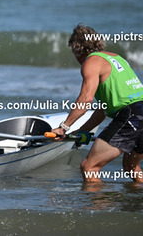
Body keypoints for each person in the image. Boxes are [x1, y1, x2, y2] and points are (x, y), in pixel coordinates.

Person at [52, 24, 143, 184]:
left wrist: (64, 127)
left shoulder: (91, 62)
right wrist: (83, 131)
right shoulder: (117, 58)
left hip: (132, 116)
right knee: (132, 167)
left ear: (76, 48)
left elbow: (86, 99)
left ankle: (99, 201)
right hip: (139, 112)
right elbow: (102, 110)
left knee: (89, 168)